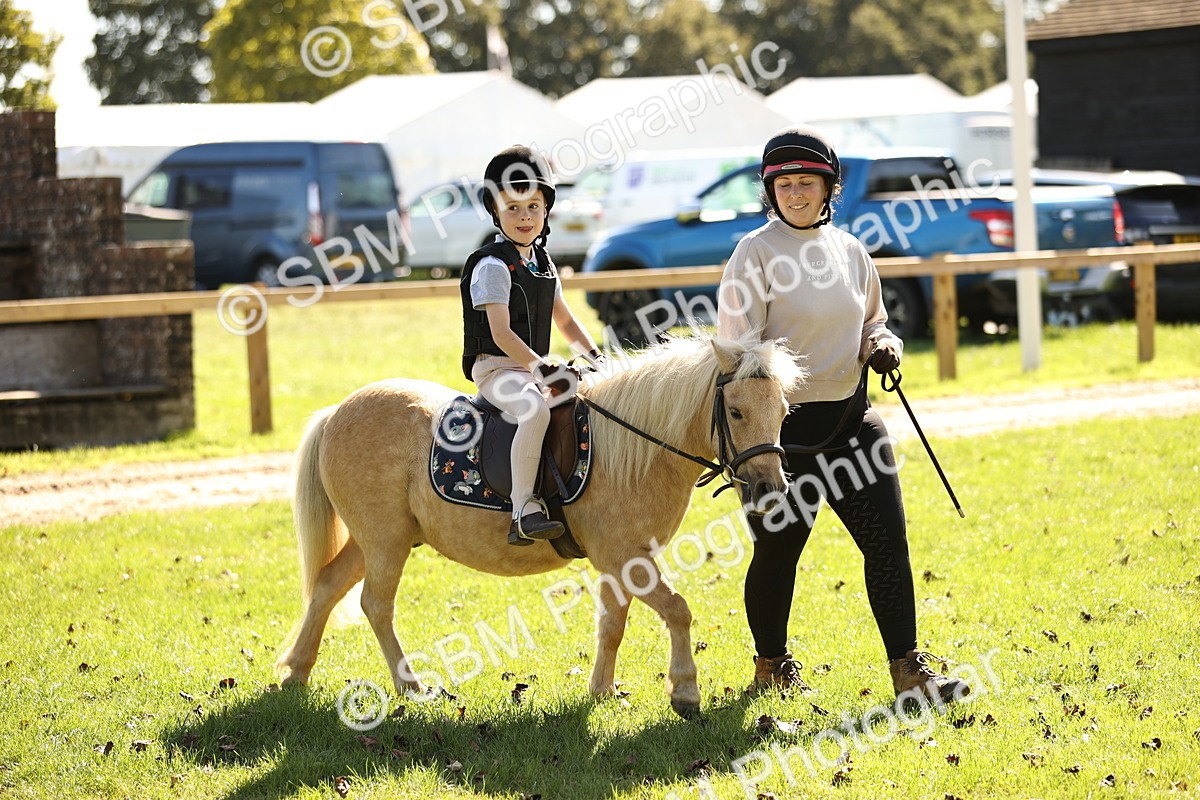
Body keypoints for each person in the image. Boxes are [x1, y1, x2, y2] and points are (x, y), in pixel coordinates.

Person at [716, 126, 969, 707]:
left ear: (828, 188)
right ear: (769, 191)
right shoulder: (753, 253)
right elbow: (737, 349)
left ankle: (909, 672)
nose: (796, 194)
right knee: (779, 551)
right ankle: (770, 667)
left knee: (888, 545)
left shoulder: (851, 250)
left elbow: (873, 320)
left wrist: (883, 344)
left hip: (854, 424)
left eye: (808, 183)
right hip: (783, 437)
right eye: (784, 185)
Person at [461, 145, 602, 546]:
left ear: (546, 210)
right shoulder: (492, 266)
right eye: (513, 208)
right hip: (497, 369)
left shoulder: (544, 264)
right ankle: (524, 508)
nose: (525, 217)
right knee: (534, 408)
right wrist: (542, 369)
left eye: (534, 207)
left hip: (530, 369)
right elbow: (502, 333)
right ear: (495, 212)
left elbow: (567, 320)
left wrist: (597, 358)